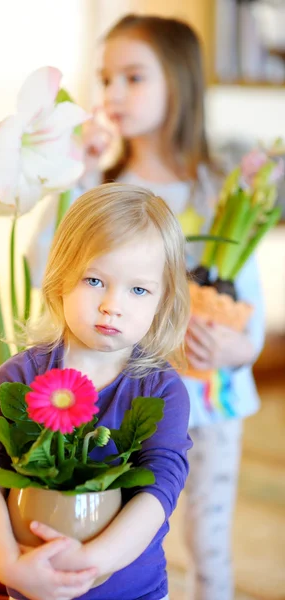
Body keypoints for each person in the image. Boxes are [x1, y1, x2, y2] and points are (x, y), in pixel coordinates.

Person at [23, 14, 265, 600]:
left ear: (178, 85)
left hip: (209, 396)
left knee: (209, 537)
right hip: (126, 393)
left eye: (133, 78)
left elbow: (248, 313)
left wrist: (237, 347)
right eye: (106, 79)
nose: (112, 95)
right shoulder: (102, 189)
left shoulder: (219, 195)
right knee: (121, 520)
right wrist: (75, 176)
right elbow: (40, 267)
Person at [0, 182, 192, 600]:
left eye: (138, 289)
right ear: (60, 277)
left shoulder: (163, 391)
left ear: (162, 301)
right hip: (33, 583)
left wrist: (91, 563)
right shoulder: (17, 378)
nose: (112, 305)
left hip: (132, 591)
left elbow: (160, 488)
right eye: (94, 279)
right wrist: (8, 565)